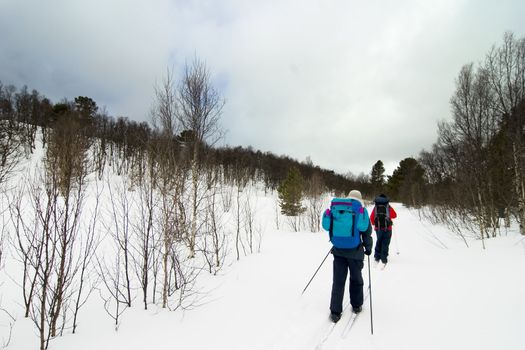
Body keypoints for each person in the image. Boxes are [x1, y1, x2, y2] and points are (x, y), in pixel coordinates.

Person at [321, 190, 373, 323]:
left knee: (338, 281)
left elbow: (330, 226)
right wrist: (368, 247)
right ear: (359, 198)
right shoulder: (361, 210)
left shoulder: (338, 208)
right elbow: (366, 232)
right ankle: (356, 306)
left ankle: (335, 311)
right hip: (355, 252)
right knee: (356, 279)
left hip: (338, 251)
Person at [370, 193, 397, 268]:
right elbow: (395, 215)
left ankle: (377, 256)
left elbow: (371, 218)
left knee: (379, 241)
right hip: (388, 228)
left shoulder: (376, 207)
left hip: (378, 228)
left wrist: (375, 224)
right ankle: (383, 258)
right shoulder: (388, 206)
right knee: (385, 242)